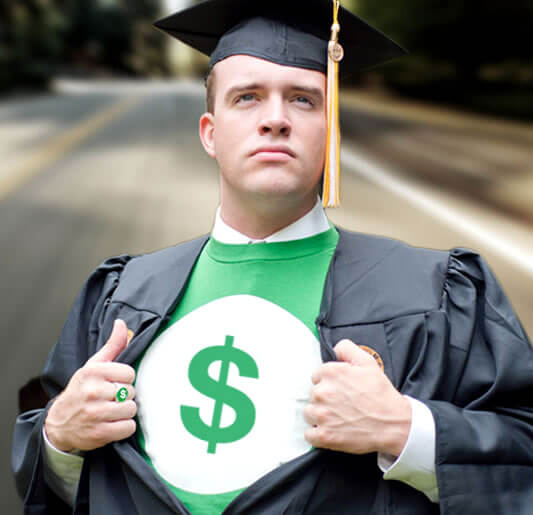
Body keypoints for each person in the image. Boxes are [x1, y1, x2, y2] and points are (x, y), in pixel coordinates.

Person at [12, 1, 533, 514]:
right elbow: (52, 480)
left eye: (304, 100)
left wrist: (405, 430)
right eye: (248, 98)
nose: (276, 120)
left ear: (332, 133)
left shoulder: (437, 291)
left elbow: (522, 452)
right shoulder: (121, 296)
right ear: (210, 134)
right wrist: (60, 438)